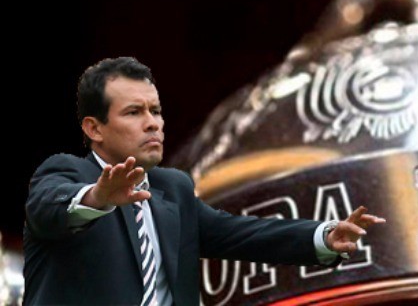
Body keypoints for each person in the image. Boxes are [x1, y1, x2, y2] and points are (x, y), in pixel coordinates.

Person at [23, 57, 385, 305]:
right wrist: (97, 198)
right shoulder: (64, 172)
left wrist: (322, 237)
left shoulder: (173, 189)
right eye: (134, 112)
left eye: (156, 111)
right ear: (94, 128)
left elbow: (242, 233)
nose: (153, 123)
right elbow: (49, 210)